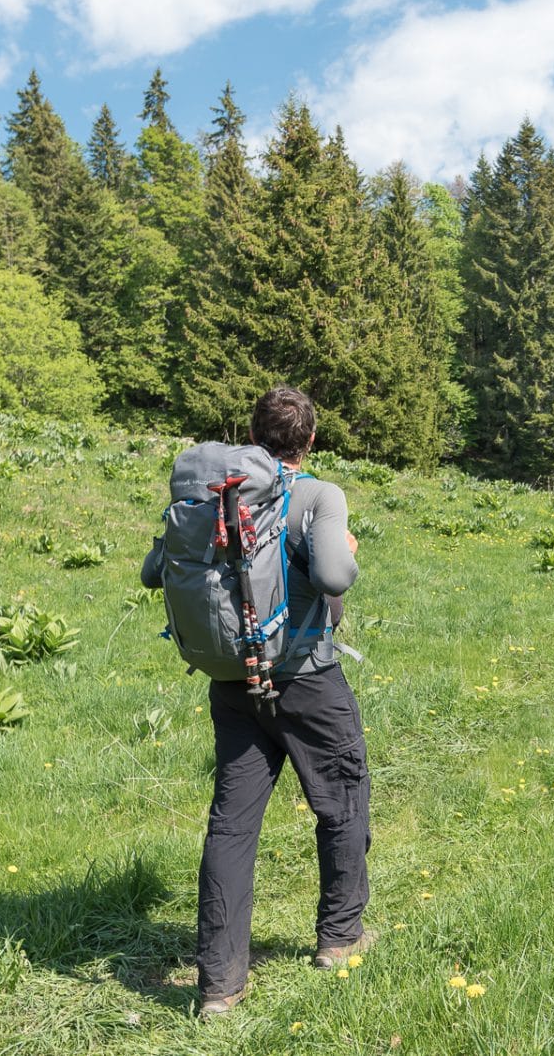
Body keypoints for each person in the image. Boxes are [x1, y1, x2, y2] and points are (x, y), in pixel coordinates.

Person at [141, 386, 375, 1018]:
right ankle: (340, 938)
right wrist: (348, 552)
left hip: (233, 683)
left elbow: (150, 572)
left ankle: (219, 984)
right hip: (306, 679)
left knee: (232, 823)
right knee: (343, 800)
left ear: (252, 435)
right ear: (311, 441)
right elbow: (331, 577)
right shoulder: (319, 495)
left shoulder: (216, 493)